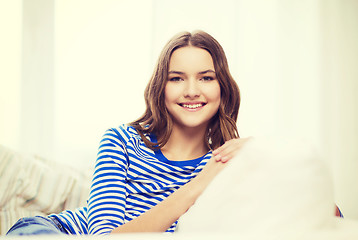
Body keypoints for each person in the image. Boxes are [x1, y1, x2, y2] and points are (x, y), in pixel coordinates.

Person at [6, 30, 247, 236]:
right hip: (54, 232)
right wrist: (197, 186)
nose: (192, 90)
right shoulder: (121, 140)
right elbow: (104, 238)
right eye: (176, 78)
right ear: (160, 88)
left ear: (223, 88)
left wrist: (253, 149)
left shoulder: (223, 163)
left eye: (206, 78)